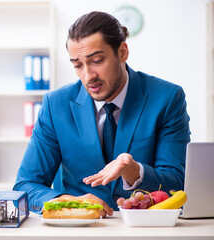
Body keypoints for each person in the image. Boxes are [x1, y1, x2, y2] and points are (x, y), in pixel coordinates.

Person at [13, 11, 190, 217]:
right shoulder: (56, 105)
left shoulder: (167, 98)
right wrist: (70, 203)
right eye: (77, 65)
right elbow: (25, 185)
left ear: (122, 52)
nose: (88, 76)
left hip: (143, 230)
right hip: (78, 230)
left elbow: (176, 186)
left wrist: (134, 171)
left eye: (96, 60)